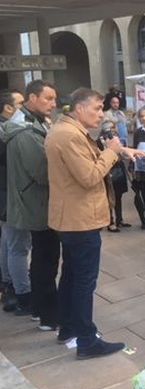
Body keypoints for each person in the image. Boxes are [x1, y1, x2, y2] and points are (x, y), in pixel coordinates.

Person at [46, 87, 145, 358]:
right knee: (83, 281)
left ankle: (67, 328)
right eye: (97, 108)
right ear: (80, 109)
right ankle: (87, 341)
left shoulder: (67, 131)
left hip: (72, 218)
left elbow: (90, 160)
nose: (101, 114)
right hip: (80, 219)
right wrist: (112, 152)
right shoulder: (69, 136)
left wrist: (121, 149)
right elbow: (89, 176)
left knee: (71, 276)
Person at [2, 80, 59, 329]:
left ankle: (38, 306)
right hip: (35, 203)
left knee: (38, 255)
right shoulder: (25, 131)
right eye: (48, 98)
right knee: (43, 258)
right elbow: (42, 172)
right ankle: (44, 311)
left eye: (54, 99)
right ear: (31, 99)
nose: (53, 104)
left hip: (31, 202)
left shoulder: (32, 125)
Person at [0, 89, 24, 308]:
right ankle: (18, 291)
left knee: (7, 242)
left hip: (6, 196)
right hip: (7, 197)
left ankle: (9, 285)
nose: (23, 108)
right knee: (15, 245)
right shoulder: (6, 133)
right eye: (20, 103)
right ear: (8, 108)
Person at [98, 120, 131, 232]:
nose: (113, 130)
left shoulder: (117, 139)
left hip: (119, 169)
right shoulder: (99, 141)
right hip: (109, 171)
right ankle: (110, 222)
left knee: (119, 196)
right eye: (110, 128)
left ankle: (119, 220)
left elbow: (122, 152)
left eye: (113, 128)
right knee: (110, 198)